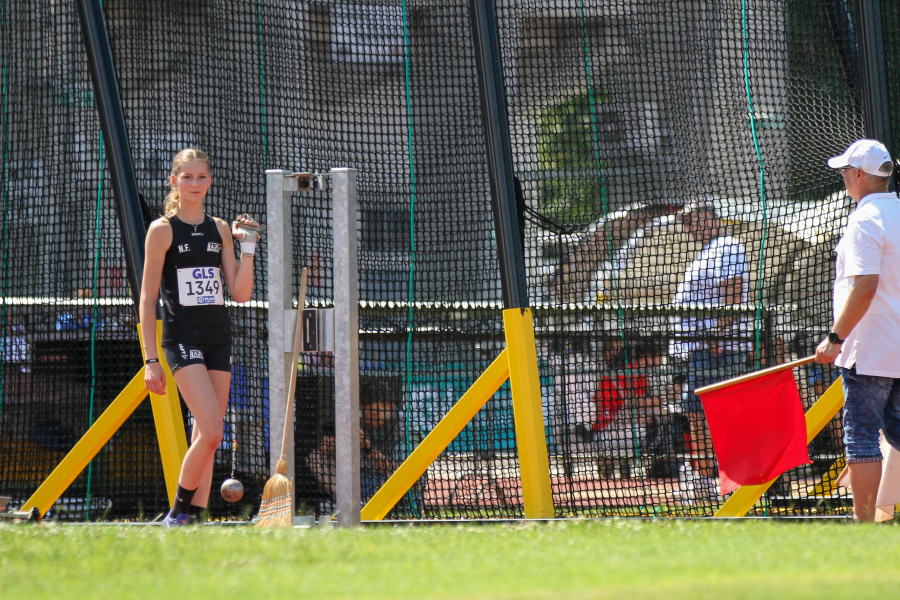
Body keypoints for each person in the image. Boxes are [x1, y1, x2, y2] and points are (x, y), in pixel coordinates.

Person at [139, 148, 261, 527]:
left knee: (205, 437)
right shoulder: (162, 230)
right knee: (212, 431)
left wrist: (248, 247)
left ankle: (196, 518)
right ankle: (177, 513)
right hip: (182, 339)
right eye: (187, 177)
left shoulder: (220, 229)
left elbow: (240, 293)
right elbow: (147, 298)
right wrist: (151, 360)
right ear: (174, 181)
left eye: (201, 177)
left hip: (218, 339)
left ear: (210, 181)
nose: (195, 183)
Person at [815, 139, 900, 523]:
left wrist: (835, 339)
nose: (843, 177)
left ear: (859, 175)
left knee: (862, 435)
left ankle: (864, 527)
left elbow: (865, 286)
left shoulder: (864, 219)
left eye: (846, 171)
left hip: (870, 350)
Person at [669, 200, 750, 502]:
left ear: (706, 216)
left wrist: (718, 333)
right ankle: (709, 480)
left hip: (718, 348)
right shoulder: (709, 250)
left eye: (689, 221)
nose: (687, 228)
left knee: (719, 416)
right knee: (697, 414)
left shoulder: (726, 246)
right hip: (703, 348)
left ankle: (733, 482)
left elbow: (733, 293)